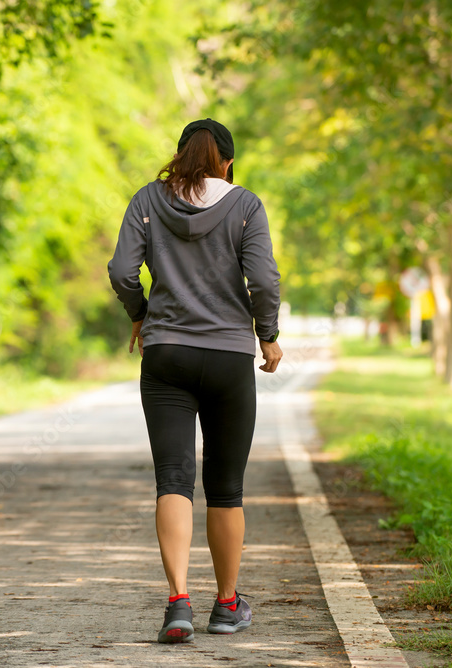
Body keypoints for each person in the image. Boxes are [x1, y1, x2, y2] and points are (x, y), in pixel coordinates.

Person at [107, 118, 282, 644]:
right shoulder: (246, 205)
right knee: (226, 489)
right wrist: (267, 334)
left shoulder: (146, 201)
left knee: (173, 480)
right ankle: (226, 605)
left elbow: (121, 271)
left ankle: (178, 603)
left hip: (166, 355)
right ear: (227, 162)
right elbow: (265, 280)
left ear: (180, 156)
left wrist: (140, 314)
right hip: (229, 357)